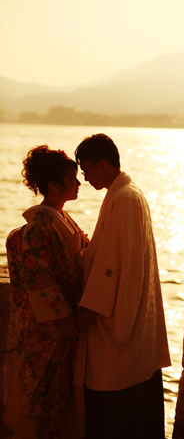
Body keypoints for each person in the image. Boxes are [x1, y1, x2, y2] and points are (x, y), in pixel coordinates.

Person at [73, 133, 171, 439]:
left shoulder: (123, 198)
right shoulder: (128, 192)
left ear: (103, 164)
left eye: (87, 169)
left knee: (112, 420)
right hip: (132, 322)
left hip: (113, 329)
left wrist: (83, 319)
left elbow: (110, 270)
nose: (85, 177)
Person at [4, 145, 87, 439]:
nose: (78, 183)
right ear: (54, 185)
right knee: (42, 398)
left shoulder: (62, 220)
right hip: (50, 330)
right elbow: (37, 277)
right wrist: (64, 319)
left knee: (57, 400)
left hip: (63, 326)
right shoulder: (41, 225)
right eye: (71, 178)